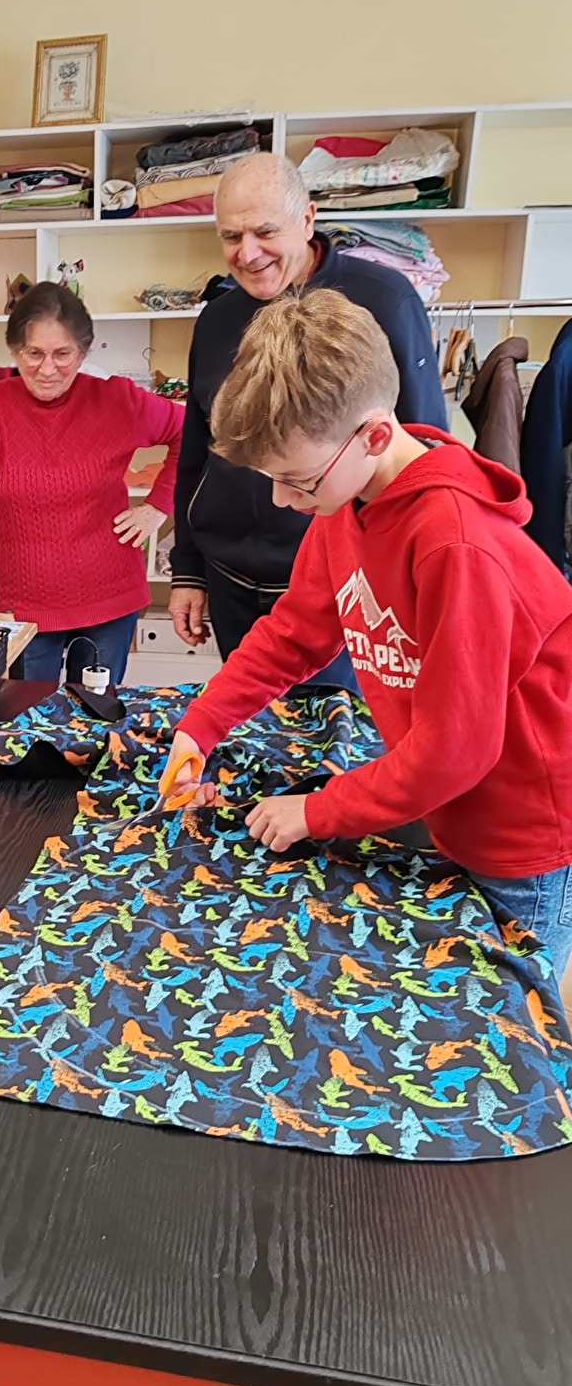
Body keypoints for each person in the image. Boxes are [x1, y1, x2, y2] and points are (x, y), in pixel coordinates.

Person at [166, 289, 572, 978]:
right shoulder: (347, 498)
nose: (284, 500)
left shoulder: (455, 544)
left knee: (503, 1021)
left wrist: (318, 812)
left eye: (296, 480)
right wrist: (200, 727)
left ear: (375, 436)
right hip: (446, 809)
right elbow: (294, 633)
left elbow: (455, 751)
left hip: (521, 842)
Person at [170, 153, 447, 684]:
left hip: (341, 591)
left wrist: (410, 585)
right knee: (249, 727)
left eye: (265, 231)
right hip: (231, 584)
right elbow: (197, 453)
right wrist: (189, 571)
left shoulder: (384, 302)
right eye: (231, 236)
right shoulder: (216, 320)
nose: (247, 253)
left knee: (336, 731)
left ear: (307, 219)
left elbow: (422, 453)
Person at [0, 282, 185, 686]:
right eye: (33, 354)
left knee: (93, 715)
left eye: (62, 354)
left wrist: (158, 506)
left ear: (83, 352)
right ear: (14, 350)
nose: (47, 369)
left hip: (111, 598)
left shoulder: (118, 400)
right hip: (27, 609)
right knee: (28, 718)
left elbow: (193, 434)